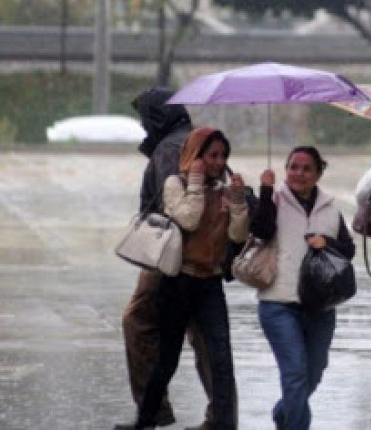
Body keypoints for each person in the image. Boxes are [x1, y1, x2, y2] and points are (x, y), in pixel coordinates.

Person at [118, 87, 232, 430]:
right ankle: (221, 417)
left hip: (174, 259)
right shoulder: (192, 140)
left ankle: (154, 413)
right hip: (196, 259)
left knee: (140, 323)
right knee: (208, 345)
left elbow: (178, 212)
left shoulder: (171, 148)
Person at [248, 146, 355, 429]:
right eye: (294, 167)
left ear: (319, 173)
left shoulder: (330, 207)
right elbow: (260, 231)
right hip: (278, 303)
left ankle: (283, 414)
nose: (299, 173)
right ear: (286, 169)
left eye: (307, 168)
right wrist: (265, 190)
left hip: (321, 307)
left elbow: (349, 249)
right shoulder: (274, 199)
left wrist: (327, 243)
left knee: (313, 375)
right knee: (295, 374)